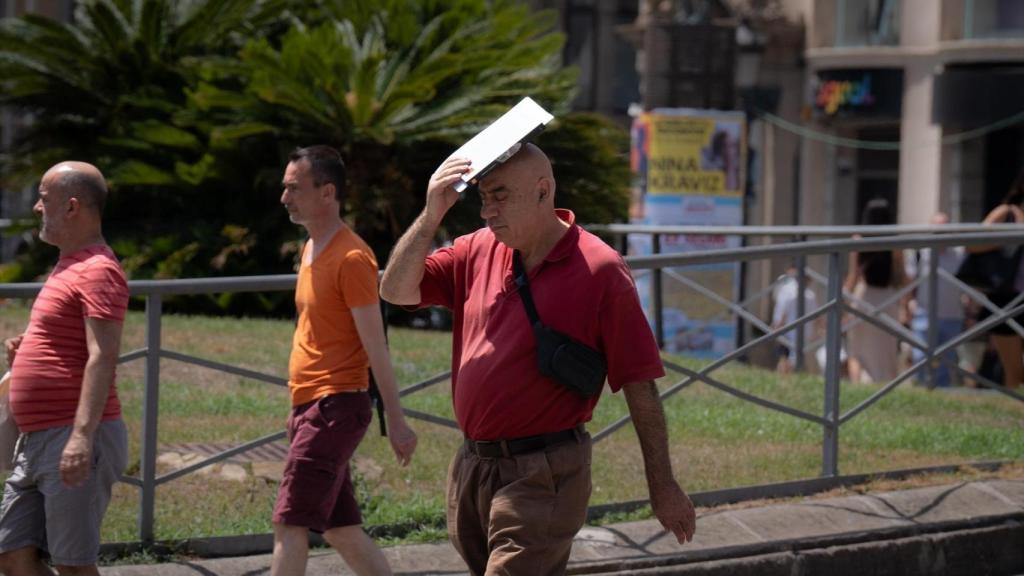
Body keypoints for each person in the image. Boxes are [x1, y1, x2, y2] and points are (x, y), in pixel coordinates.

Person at [380, 143, 696, 575]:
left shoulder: (600, 268)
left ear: (543, 191)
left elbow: (640, 383)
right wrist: (431, 212)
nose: (487, 211)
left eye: (500, 195)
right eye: (483, 197)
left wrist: (662, 486)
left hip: (542, 473)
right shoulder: (476, 249)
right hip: (474, 466)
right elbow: (396, 290)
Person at [271, 146, 418, 576]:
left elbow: (377, 347)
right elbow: (311, 335)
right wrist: (295, 407)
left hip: (336, 408)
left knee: (289, 522)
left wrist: (397, 420)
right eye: (285, 187)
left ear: (327, 192)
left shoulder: (352, 257)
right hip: (312, 405)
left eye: (294, 188)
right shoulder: (312, 248)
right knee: (341, 529)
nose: (285, 197)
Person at [0, 162, 129, 576]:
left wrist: (81, 437)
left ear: (71, 207)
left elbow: (102, 355)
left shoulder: (99, 270)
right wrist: (26, 358)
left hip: (70, 437)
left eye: (44, 198)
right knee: (12, 556)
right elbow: (69, 344)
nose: (38, 207)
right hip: (38, 438)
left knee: (74, 566)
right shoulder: (68, 264)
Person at [844, 198, 911, 384]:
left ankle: (857, 386)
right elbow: (903, 278)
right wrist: (906, 306)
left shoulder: (858, 240)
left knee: (857, 350)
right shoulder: (895, 242)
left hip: (863, 297)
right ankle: (883, 385)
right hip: (888, 299)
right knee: (885, 352)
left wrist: (843, 304)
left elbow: (852, 277)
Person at [968, 170, 1024, 390]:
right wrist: (1009, 239)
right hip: (1006, 297)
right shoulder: (1006, 212)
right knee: (1014, 371)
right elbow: (972, 243)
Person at [903, 212, 965, 388]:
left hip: (953, 316)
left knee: (947, 362)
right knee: (920, 358)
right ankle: (924, 390)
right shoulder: (919, 253)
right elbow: (909, 283)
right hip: (924, 315)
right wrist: (906, 308)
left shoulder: (959, 254)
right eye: (937, 229)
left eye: (945, 228)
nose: (941, 233)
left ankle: (943, 395)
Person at [771, 263, 820, 373]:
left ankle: (784, 379)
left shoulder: (787, 290)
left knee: (785, 358)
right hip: (804, 332)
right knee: (795, 359)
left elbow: (782, 312)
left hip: (788, 331)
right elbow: (817, 315)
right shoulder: (810, 294)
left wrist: (777, 327)